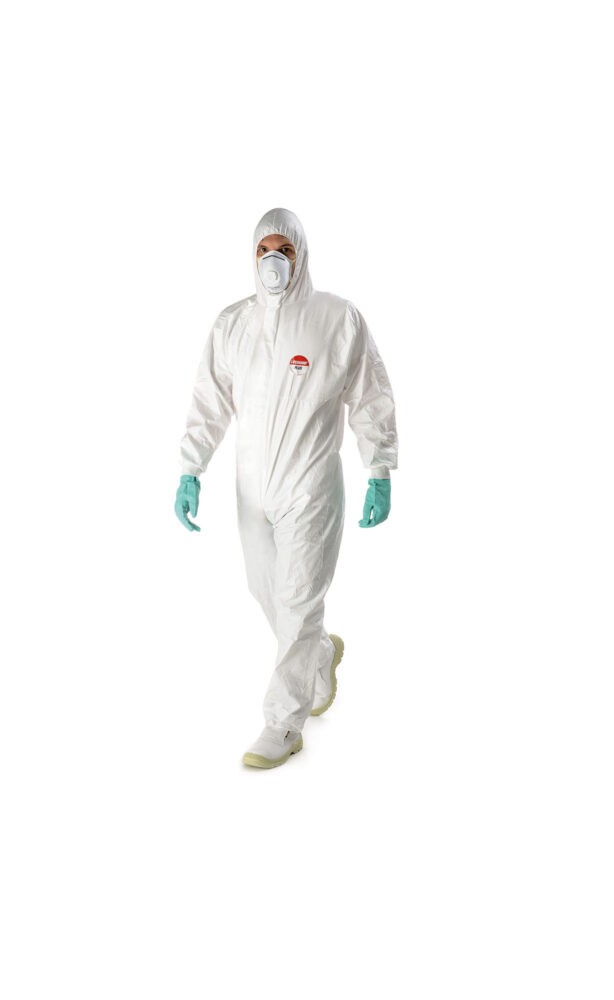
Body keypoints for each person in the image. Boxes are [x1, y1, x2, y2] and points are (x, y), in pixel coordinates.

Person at [175, 207, 398, 769]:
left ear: (301, 255)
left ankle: (283, 723)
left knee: (297, 601)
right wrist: (191, 468)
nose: (273, 260)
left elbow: (369, 394)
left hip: (310, 486)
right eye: (263, 250)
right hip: (252, 489)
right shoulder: (233, 324)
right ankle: (319, 653)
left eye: (285, 249)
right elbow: (209, 401)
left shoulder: (336, 318)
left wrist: (378, 469)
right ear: (252, 257)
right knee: (267, 591)